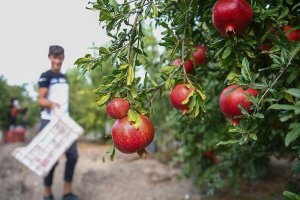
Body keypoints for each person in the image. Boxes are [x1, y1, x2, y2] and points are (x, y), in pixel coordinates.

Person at [38, 45, 79, 200]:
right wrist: (51, 104)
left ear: (63, 58)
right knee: (51, 160)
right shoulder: (46, 76)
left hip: (64, 121)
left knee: (73, 155)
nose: (57, 60)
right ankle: (47, 194)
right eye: (55, 57)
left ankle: (67, 192)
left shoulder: (64, 77)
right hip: (49, 121)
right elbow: (41, 99)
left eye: (60, 57)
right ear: (50, 57)